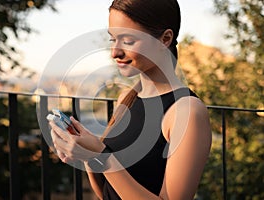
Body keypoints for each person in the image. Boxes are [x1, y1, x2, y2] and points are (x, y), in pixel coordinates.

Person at [49, 0, 212, 199]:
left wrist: (101, 156)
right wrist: (86, 153)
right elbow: (107, 193)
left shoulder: (187, 112)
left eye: (128, 41)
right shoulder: (127, 98)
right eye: (113, 40)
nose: (114, 52)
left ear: (165, 39)